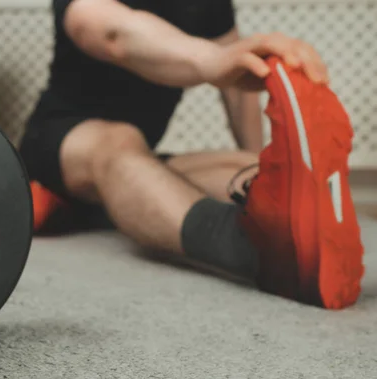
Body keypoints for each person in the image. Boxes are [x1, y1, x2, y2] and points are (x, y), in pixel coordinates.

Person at [19, 0, 365, 309]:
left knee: (246, 167)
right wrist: (212, 58)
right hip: (60, 148)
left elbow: (238, 86)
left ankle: (288, 226)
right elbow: (113, 34)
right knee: (120, 139)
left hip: (139, 161)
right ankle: (260, 254)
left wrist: (261, 162)